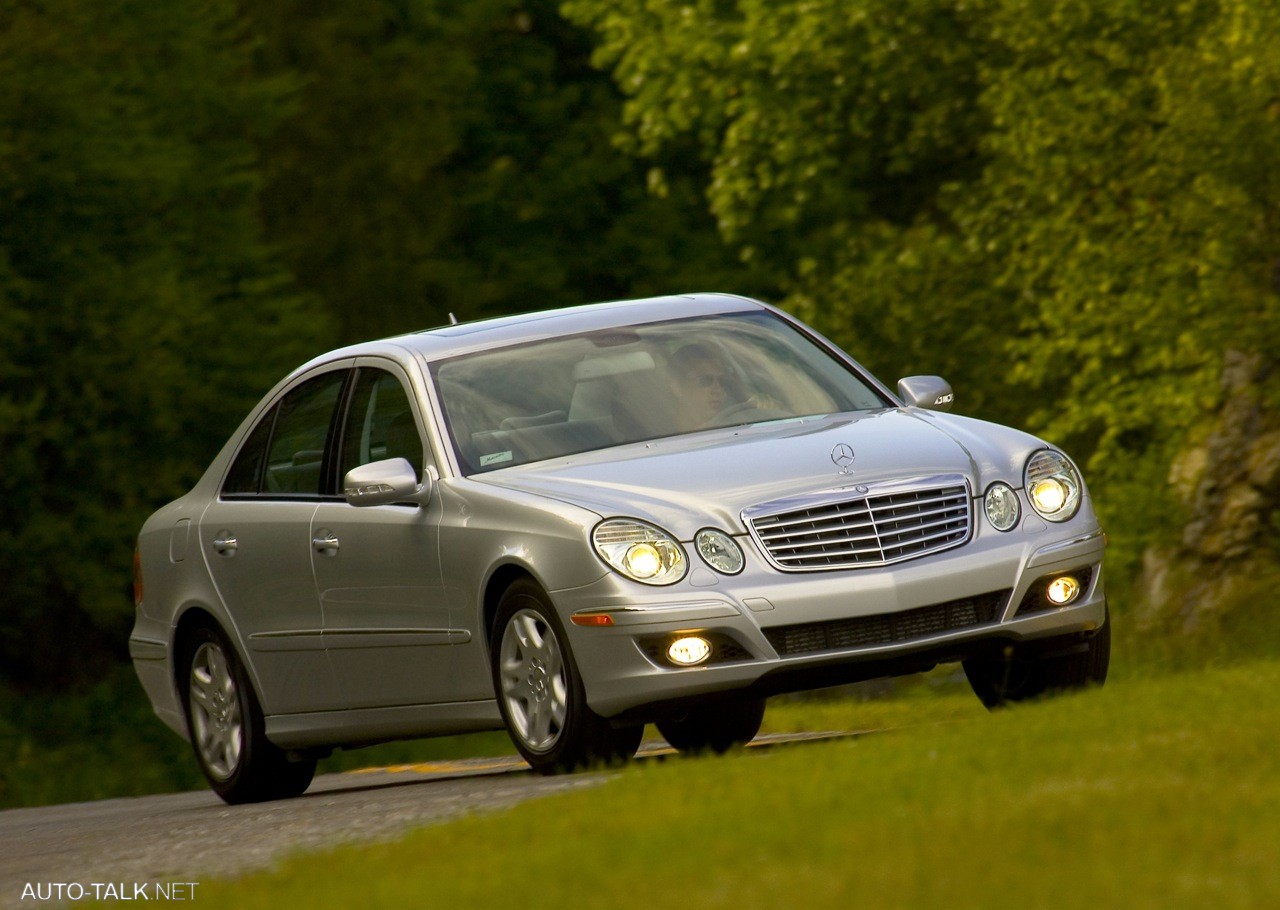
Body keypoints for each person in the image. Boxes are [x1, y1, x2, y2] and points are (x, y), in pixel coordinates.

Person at [668, 343, 731, 431]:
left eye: (721, 381)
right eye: (706, 380)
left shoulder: (734, 430)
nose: (718, 389)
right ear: (677, 387)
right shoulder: (654, 437)